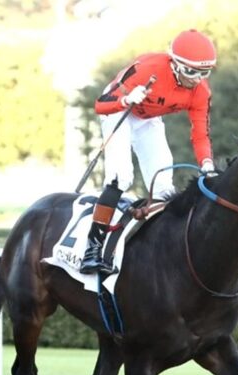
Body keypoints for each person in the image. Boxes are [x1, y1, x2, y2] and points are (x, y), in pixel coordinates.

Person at [80, 29, 217, 275]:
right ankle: (93, 247)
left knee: (164, 187)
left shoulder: (201, 92)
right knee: (121, 176)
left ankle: (162, 247)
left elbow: (200, 134)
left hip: (148, 120)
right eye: (190, 71)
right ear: (175, 64)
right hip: (119, 110)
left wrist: (207, 163)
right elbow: (101, 105)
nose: (196, 79)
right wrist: (125, 100)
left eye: (203, 73)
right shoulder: (147, 68)